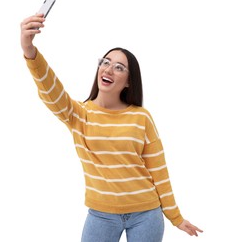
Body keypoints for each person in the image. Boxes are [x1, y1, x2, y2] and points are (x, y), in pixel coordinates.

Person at [20, 13, 203, 242]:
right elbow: (50, 89)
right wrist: (29, 50)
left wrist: (175, 216)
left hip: (146, 214)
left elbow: (158, 170)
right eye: (105, 63)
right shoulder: (78, 114)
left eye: (118, 67)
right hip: (101, 215)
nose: (108, 69)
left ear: (128, 81)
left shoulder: (141, 117)